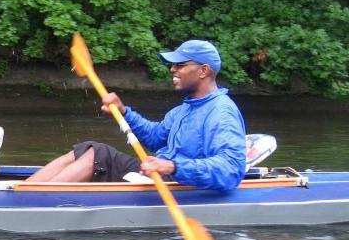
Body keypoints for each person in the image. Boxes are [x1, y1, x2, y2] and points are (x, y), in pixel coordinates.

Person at [27, 40, 247, 191]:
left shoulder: (222, 112)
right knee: (90, 148)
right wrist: (124, 112)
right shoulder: (184, 109)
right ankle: (24, 192)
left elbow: (231, 170)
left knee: (101, 155)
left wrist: (172, 166)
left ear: (203, 71)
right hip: (161, 174)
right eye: (172, 65)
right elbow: (155, 137)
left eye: (180, 64)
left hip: (179, 181)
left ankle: (33, 202)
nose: (172, 69)